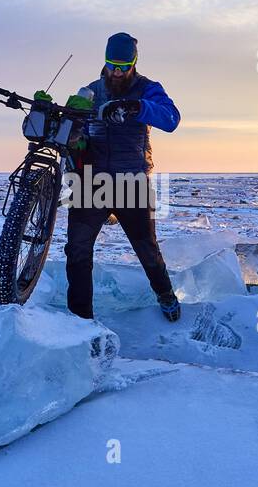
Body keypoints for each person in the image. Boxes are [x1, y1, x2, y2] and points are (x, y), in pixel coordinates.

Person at [65, 32, 182, 322]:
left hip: (132, 182)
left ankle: (165, 295)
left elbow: (171, 119)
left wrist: (135, 107)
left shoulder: (147, 89)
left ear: (134, 63)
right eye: (112, 65)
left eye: (123, 67)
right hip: (90, 182)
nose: (117, 73)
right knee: (77, 250)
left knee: (147, 249)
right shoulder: (90, 92)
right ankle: (80, 321)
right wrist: (74, 138)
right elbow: (73, 132)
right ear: (104, 62)